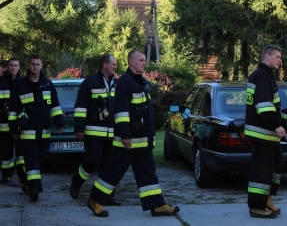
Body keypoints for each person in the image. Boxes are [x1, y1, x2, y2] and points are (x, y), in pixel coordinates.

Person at [86, 49, 180, 218]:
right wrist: (125, 136)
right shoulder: (124, 83)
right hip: (128, 142)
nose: (145, 63)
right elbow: (121, 112)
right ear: (131, 62)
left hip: (142, 141)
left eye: (145, 60)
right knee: (113, 172)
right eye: (141, 60)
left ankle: (157, 205)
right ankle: (94, 200)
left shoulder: (140, 82)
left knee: (147, 173)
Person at [8, 54, 64, 202]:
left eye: (38, 64)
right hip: (26, 133)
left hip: (43, 132)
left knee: (37, 160)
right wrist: (13, 129)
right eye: (33, 64)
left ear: (42, 66)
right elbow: (13, 109)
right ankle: (34, 188)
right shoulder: (20, 86)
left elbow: (55, 106)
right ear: (28, 66)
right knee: (32, 160)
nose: (35, 67)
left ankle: (27, 183)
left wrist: (60, 123)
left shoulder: (48, 85)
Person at [70, 53, 121, 206]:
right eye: (113, 64)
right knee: (92, 160)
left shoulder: (117, 83)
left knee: (109, 165)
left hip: (112, 133)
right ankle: (76, 182)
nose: (115, 67)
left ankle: (107, 196)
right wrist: (79, 128)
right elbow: (80, 107)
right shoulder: (89, 82)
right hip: (93, 131)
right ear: (104, 65)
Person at [244, 44, 286, 219]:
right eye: (277, 57)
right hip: (263, 134)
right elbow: (263, 107)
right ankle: (257, 207)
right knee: (261, 171)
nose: (280, 60)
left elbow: (275, 108)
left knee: (273, 167)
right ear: (267, 57)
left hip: (268, 135)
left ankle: (266, 199)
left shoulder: (265, 76)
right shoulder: (261, 76)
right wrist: (277, 125)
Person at [0, 57, 25, 184]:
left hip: (19, 124)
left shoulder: (23, 83)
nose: (13, 68)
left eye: (16, 65)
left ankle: (22, 177)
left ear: (19, 67)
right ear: (7, 67)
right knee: (5, 153)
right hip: (3, 125)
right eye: (11, 65)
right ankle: (6, 175)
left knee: (21, 155)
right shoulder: (0, 82)